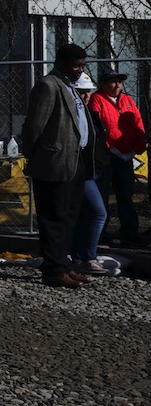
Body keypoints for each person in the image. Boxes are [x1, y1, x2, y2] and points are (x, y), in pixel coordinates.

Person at [20, 43, 94, 289]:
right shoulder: (48, 85)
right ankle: (53, 269)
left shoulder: (69, 87)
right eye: (76, 65)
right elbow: (34, 126)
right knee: (54, 217)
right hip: (54, 162)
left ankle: (63, 263)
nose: (80, 70)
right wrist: (35, 155)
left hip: (75, 160)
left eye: (83, 65)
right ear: (61, 63)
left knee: (69, 216)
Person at [88, 67, 146, 246]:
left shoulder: (127, 100)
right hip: (107, 155)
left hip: (126, 155)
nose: (117, 85)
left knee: (126, 194)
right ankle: (100, 233)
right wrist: (107, 146)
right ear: (103, 85)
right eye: (113, 82)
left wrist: (139, 145)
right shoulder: (97, 100)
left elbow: (138, 123)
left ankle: (129, 231)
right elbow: (97, 127)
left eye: (119, 82)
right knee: (102, 194)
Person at [72, 73, 111, 276]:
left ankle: (80, 258)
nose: (86, 96)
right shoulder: (75, 114)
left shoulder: (89, 114)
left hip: (94, 170)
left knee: (86, 214)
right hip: (82, 171)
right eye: (82, 92)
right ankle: (88, 257)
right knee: (98, 213)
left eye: (88, 92)